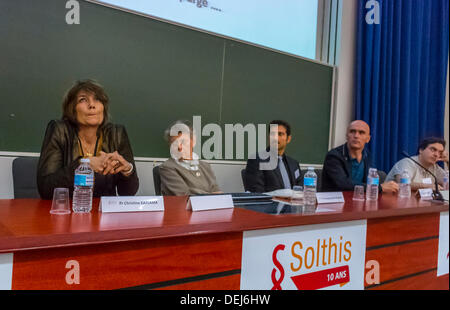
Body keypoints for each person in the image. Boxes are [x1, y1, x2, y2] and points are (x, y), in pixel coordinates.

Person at [37, 79, 139, 199]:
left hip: (104, 213)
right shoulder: (59, 130)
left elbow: (128, 193)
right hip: (68, 210)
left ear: (103, 107)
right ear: (72, 109)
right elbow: (45, 189)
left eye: (97, 99)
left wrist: (127, 170)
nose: (92, 105)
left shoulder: (116, 133)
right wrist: (85, 164)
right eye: (83, 100)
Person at [321, 120, 398, 193]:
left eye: (361, 133)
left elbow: (369, 181)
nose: (356, 136)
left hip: (358, 199)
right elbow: (343, 184)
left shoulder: (367, 155)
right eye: (352, 131)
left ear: (368, 139)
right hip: (333, 202)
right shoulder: (334, 156)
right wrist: (380, 188)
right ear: (347, 136)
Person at [159, 120, 221, 196]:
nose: (179, 147)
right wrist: (210, 195)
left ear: (193, 142)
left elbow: (217, 192)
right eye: (174, 143)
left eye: (183, 142)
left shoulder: (205, 166)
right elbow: (185, 196)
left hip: (211, 206)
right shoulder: (167, 167)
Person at [245, 120, 302, 193]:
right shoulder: (257, 160)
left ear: (288, 139)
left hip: (294, 203)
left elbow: (300, 190)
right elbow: (256, 193)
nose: (275, 138)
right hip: (271, 204)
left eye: (280, 134)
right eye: (272, 134)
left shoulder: (294, 164)